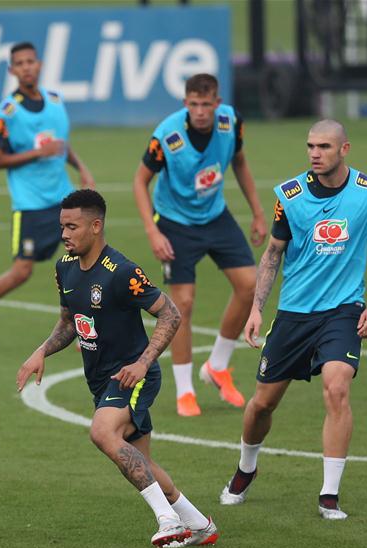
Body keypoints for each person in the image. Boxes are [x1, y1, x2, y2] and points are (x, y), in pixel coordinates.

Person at [17, 189, 218, 548]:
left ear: (96, 226)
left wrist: (143, 363)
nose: (63, 234)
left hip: (131, 375)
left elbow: (170, 313)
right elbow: (69, 322)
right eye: (61, 226)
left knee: (102, 432)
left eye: (72, 226)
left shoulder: (121, 272)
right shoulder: (64, 268)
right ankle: (200, 524)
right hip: (101, 380)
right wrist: (41, 351)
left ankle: (168, 520)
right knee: (142, 463)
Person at [218, 120, 367, 520]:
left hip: (343, 310)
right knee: (262, 405)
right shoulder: (291, 195)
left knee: (337, 389)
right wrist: (256, 309)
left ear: (344, 149)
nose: (315, 153)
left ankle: (329, 495)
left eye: (324, 146)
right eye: (310, 146)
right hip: (294, 314)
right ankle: (246, 468)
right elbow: (273, 254)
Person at [132, 73, 266, 417]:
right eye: (194, 104)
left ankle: (217, 367)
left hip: (215, 216)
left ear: (217, 103)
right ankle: (185, 390)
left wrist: (257, 213)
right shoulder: (167, 135)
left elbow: (240, 163)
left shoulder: (231, 123)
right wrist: (153, 232)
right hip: (175, 223)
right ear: (185, 104)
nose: (201, 111)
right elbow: (140, 181)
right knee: (183, 304)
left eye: (207, 104)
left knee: (251, 285)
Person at [0, 41, 94, 355]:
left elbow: (62, 145)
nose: (27, 67)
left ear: (40, 64)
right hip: (30, 204)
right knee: (22, 271)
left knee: (86, 257)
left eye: (31, 61)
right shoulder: (8, 112)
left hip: (63, 199)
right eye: (20, 63)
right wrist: (36, 153)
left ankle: (79, 328)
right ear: (12, 70)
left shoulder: (56, 101)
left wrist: (82, 168)